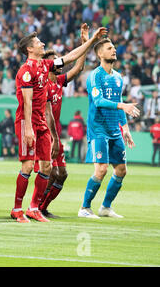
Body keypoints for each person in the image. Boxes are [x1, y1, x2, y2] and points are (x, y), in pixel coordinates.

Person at [11, 26, 107, 223]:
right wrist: (28, 128)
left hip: (41, 123)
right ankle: (17, 209)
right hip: (26, 122)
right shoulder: (26, 71)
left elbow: (71, 57)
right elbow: (27, 102)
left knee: (46, 167)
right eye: (38, 43)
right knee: (28, 166)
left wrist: (90, 41)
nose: (42, 44)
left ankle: (34, 208)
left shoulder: (45, 65)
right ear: (30, 49)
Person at [79, 37, 140, 219]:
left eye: (113, 48)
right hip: (98, 129)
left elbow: (119, 101)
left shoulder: (118, 77)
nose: (113, 50)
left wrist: (125, 128)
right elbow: (98, 101)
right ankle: (84, 208)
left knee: (121, 170)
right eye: (109, 48)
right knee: (102, 169)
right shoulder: (95, 76)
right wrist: (123, 107)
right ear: (100, 53)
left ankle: (105, 207)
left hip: (115, 129)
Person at [38, 23, 89, 218]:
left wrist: (84, 43)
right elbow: (46, 113)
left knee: (62, 174)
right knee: (50, 172)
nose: (57, 64)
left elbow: (79, 67)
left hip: (56, 133)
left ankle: (42, 207)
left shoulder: (59, 82)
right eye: (53, 62)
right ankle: (35, 207)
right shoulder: (42, 85)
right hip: (46, 134)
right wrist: (53, 138)